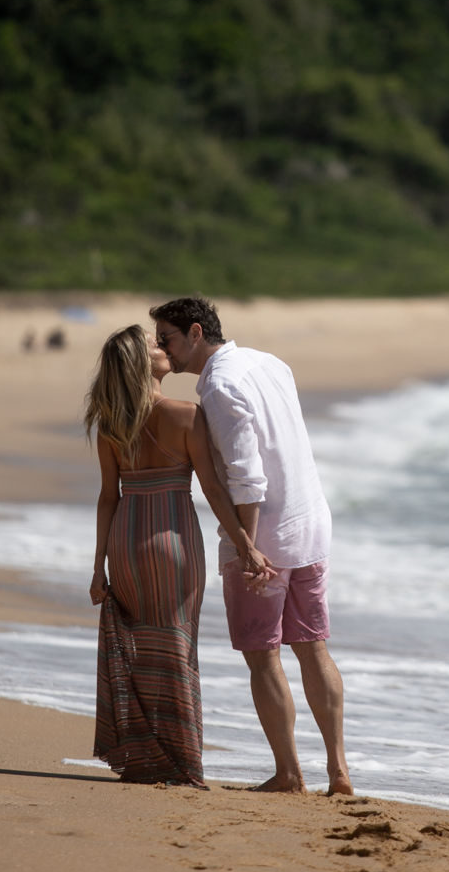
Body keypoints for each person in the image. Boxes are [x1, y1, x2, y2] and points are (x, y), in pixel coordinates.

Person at [150, 295, 353, 797]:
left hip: (265, 537)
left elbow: (246, 476)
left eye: (167, 339)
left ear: (196, 333)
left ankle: (288, 775)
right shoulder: (269, 362)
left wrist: (246, 546)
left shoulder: (217, 385)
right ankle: (338, 772)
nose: (162, 350)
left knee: (263, 657)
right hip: (310, 523)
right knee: (313, 648)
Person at [84, 324, 271, 788]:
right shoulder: (186, 414)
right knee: (176, 646)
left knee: (142, 646)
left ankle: (147, 756)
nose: (163, 348)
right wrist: (246, 544)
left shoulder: (111, 424)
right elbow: (211, 487)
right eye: (153, 345)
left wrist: (97, 566)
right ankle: (180, 762)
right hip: (172, 539)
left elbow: (108, 496)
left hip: (126, 539)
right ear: (141, 364)